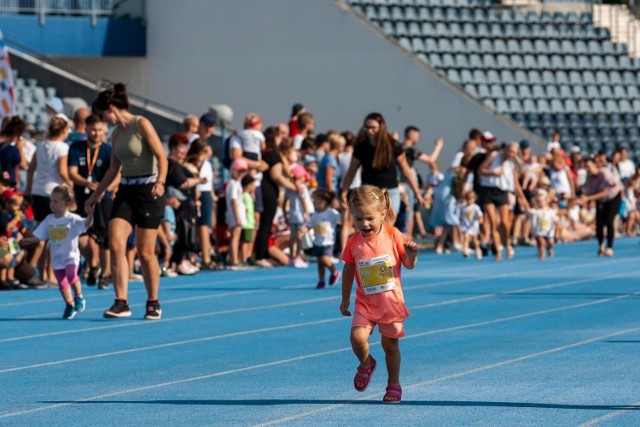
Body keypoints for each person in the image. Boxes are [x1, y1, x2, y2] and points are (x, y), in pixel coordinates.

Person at [85, 83, 168, 320]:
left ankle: (153, 301)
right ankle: (121, 301)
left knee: (145, 252)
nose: (102, 120)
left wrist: (161, 182)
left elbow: (161, 156)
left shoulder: (141, 124)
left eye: (102, 115)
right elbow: (113, 169)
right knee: (116, 244)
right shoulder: (116, 133)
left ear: (110, 108)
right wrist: (95, 195)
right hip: (126, 191)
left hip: (149, 191)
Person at [339, 185, 418, 404]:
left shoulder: (393, 235)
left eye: (369, 218)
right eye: (358, 219)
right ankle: (366, 363)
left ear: (382, 214)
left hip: (390, 303)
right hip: (365, 303)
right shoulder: (353, 242)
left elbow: (408, 265)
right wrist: (345, 297)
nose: (364, 224)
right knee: (357, 338)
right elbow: (348, 268)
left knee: (390, 346)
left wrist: (411, 255)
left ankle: (394, 384)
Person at [20, 185, 93, 319]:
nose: (52, 204)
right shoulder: (49, 219)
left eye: (56, 201)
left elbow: (86, 224)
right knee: (62, 283)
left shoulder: (72, 219)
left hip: (71, 256)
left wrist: (90, 214)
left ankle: (79, 296)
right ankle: (69, 305)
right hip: (57, 258)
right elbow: (40, 234)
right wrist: (31, 240)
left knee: (71, 275)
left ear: (67, 203)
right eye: (51, 201)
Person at [340, 112, 424, 217]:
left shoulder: (393, 145)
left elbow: (406, 170)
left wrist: (417, 194)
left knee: (388, 225)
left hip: (390, 191)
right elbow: (351, 172)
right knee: (373, 225)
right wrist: (344, 192)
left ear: (381, 127)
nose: (369, 131)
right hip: (369, 192)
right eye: (366, 127)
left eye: (373, 127)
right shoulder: (361, 147)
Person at [68, 114, 117, 289]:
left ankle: (105, 274)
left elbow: (117, 175)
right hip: (82, 198)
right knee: (82, 239)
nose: (96, 133)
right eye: (93, 129)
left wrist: (103, 190)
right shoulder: (76, 148)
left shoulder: (108, 150)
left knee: (104, 238)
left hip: (104, 199)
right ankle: (93, 265)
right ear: (86, 128)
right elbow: (71, 173)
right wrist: (87, 182)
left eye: (99, 130)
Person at [297, 189, 341, 288]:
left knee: (325, 259)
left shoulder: (331, 213)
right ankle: (321, 280)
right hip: (317, 242)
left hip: (328, 242)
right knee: (320, 263)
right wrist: (302, 231)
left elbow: (341, 220)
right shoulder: (315, 215)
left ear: (323, 201)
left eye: (315, 200)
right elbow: (309, 225)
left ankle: (334, 272)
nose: (313, 202)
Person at [581, 156, 623, 257]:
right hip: (600, 200)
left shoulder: (604, 173)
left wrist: (588, 198)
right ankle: (600, 245)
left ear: (595, 165)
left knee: (609, 220)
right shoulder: (589, 178)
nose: (587, 169)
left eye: (588, 166)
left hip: (614, 197)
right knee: (599, 222)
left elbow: (604, 192)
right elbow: (586, 192)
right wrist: (580, 198)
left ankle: (609, 247)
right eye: (585, 167)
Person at [226, 159, 248, 268]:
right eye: (239, 171)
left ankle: (234, 258)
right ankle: (234, 260)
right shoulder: (233, 184)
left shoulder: (237, 183)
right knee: (235, 237)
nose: (241, 174)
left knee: (236, 237)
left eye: (243, 172)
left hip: (238, 214)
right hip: (236, 214)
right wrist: (237, 216)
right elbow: (233, 201)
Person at [527, 189, 557, 260]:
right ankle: (541, 254)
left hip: (549, 231)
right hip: (539, 231)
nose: (540, 203)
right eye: (538, 202)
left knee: (550, 242)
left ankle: (549, 248)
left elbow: (555, 219)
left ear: (546, 201)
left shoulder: (550, 211)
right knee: (541, 243)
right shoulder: (536, 211)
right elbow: (529, 211)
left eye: (541, 201)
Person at [459, 190, 483, 259]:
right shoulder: (463, 208)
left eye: (471, 199)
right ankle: (466, 250)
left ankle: (478, 249)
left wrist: (480, 220)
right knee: (466, 237)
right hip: (465, 225)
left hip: (473, 226)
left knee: (474, 239)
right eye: (467, 199)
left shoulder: (475, 207)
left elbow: (480, 215)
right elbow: (460, 216)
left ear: (474, 199)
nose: (469, 201)